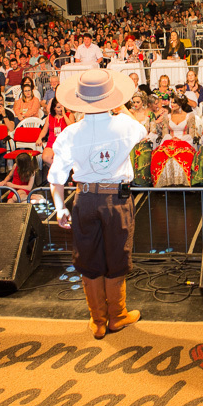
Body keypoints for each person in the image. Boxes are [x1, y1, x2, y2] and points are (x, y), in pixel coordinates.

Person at [48, 68, 147, 340]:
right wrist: (120, 104)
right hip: (116, 198)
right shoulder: (125, 124)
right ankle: (117, 316)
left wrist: (60, 208)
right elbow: (143, 130)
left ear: (79, 100)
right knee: (117, 256)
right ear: (110, 98)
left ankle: (98, 320)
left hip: (85, 199)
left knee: (89, 260)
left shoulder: (69, 133)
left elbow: (56, 178)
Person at [151, 94, 196, 187]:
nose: (172, 105)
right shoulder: (167, 116)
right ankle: (166, 181)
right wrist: (172, 138)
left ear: (180, 104)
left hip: (184, 141)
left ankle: (181, 180)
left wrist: (180, 139)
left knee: (183, 154)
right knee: (160, 155)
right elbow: (164, 133)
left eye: (174, 103)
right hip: (170, 140)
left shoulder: (190, 116)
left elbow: (191, 134)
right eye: (171, 102)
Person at [127, 92, 158, 186]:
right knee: (130, 149)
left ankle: (142, 180)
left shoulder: (149, 114)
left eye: (138, 102)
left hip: (145, 141)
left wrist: (146, 138)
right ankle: (130, 178)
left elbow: (153, 131)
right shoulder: (130, 114)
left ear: (143, 102)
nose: (135, 104)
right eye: (134, 102)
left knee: (140, 150)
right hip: (132, 141)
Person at [38, 96, 75, 169]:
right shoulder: (50, 117)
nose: (61, 109)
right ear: (54, 108)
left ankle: (58, 173)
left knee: (58, 158)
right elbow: (44, 130)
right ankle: (61, 170)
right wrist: (39, 138)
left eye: (62, 107)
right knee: (45, 157)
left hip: (64, 143)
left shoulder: (69, 115)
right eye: (58, 107)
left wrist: (64, 115)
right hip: (52, 142)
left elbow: (72, 128)